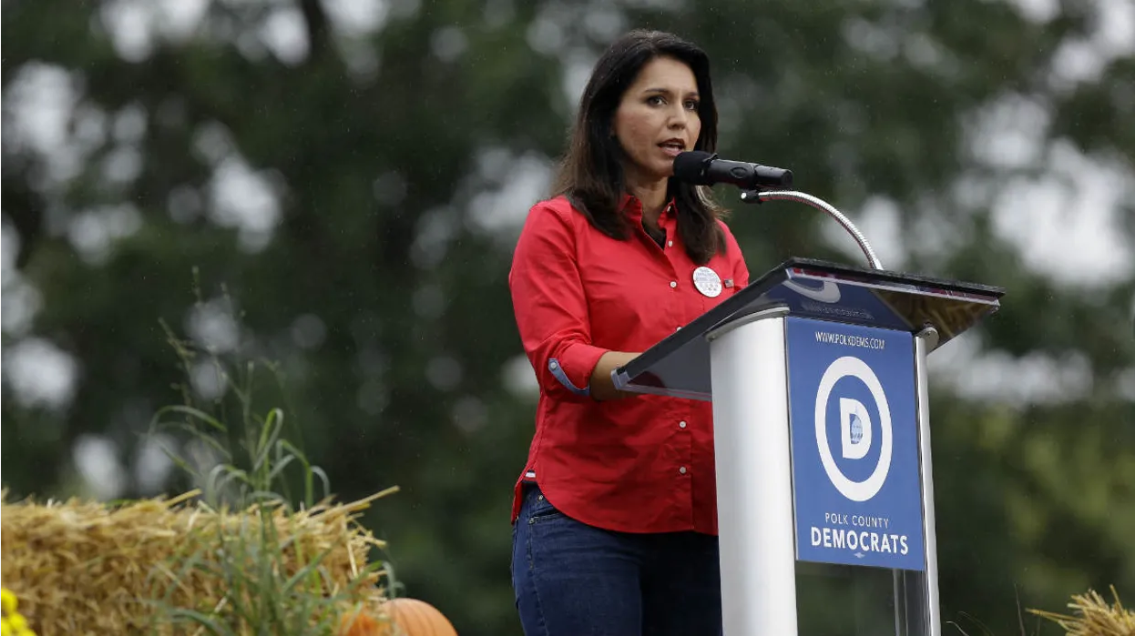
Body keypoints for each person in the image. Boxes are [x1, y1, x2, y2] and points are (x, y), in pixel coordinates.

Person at [506, 29, 751, 636]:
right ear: (606, 119)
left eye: (692, 106)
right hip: (585, 525)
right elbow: (559, 360)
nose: (680, 122)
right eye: (656, 101)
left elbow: (752, 361)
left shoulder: (719, 247)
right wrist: (660, 369)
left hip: (705, 534)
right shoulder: (557, 226)